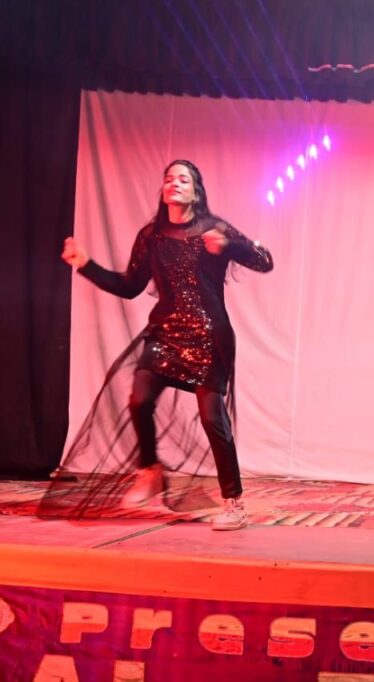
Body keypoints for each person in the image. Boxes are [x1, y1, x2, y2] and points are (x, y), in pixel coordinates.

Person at [54, 159, 273, 530]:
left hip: (208, 335)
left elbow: (264, 261)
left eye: (183, 179)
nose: (174, 183)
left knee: (212, 419)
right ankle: (151, 470)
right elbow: (129, 286)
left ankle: (234, 503)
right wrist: (86, 264)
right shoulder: (152, 236)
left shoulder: (213, 229)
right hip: (166, 332)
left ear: (196, 191)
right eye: (169, 178)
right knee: (139, 399)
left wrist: (231, 245)